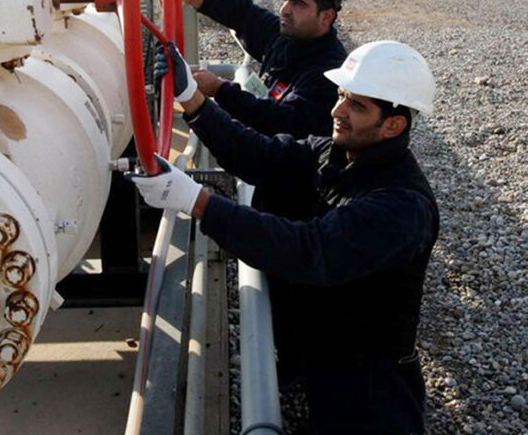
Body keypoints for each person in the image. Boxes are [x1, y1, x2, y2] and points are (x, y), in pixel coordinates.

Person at [130, 40, 439, 434]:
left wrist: (198, 201)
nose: (337, 111)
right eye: (341, 96)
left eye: (357, 106)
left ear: (394, 125)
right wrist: (192, 99)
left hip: (370, 380)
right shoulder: (338, 153)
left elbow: (309, 250)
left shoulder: (401, 206)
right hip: (329, 346)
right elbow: (261, 156)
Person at [180, 0, 348, 140]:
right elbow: (244, 14)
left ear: (326, 17)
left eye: (298, 4)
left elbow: (282, 121)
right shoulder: (287, 37)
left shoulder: (328, 73)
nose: (284, 10)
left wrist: (220, 90)